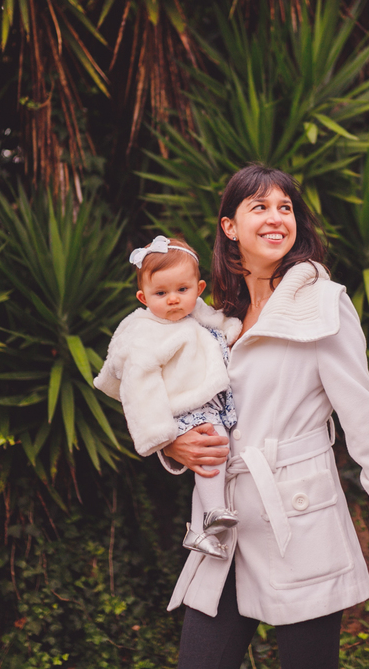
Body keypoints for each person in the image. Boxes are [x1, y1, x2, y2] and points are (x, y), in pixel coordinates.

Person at [161, 164, 369, 669]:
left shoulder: (323, 306)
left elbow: (367, 429)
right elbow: (189, 412)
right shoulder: (217, 320)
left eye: (286, 208)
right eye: (259, 207)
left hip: (297, 524)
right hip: (224, 528)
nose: (276, 218)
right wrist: (174, 447)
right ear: (229, 227)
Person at [94, 236, 244, 557]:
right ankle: (214, 510)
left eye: (182, 290)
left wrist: (232, 330)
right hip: (185, 406)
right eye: (161, 293)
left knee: (211, 456)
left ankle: (198, 531)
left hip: (207, 401)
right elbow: (139, 388)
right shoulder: (145, 334)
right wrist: (160, 435)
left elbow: (218, 322)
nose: (173, 300)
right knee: (211, 448)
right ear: (143, 297)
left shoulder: (196, 314)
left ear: (199, 289)